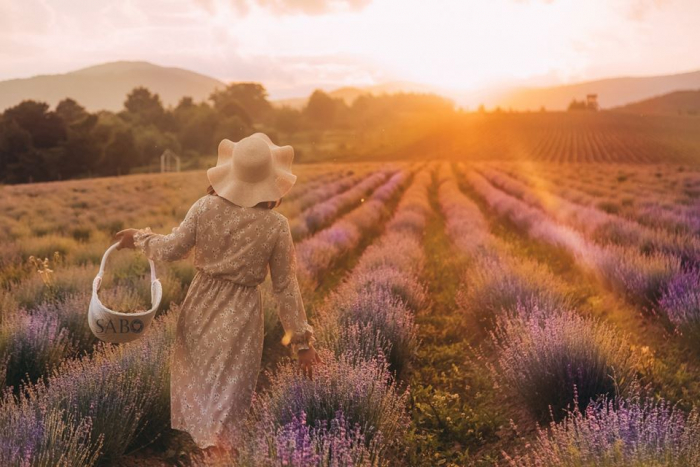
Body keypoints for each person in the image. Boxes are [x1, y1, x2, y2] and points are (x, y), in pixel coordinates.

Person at [113, 132, 321, 459]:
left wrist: (137, 238)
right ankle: (218, 457)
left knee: (205, 389)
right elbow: (285, 287)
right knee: (229, 399)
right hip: (242, 313)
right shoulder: (276, 225)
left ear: (231, 171)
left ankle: (210, 454)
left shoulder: (204, 207)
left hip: (200, 305)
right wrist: (302, 342)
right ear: (272, 179)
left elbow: (170, 249)